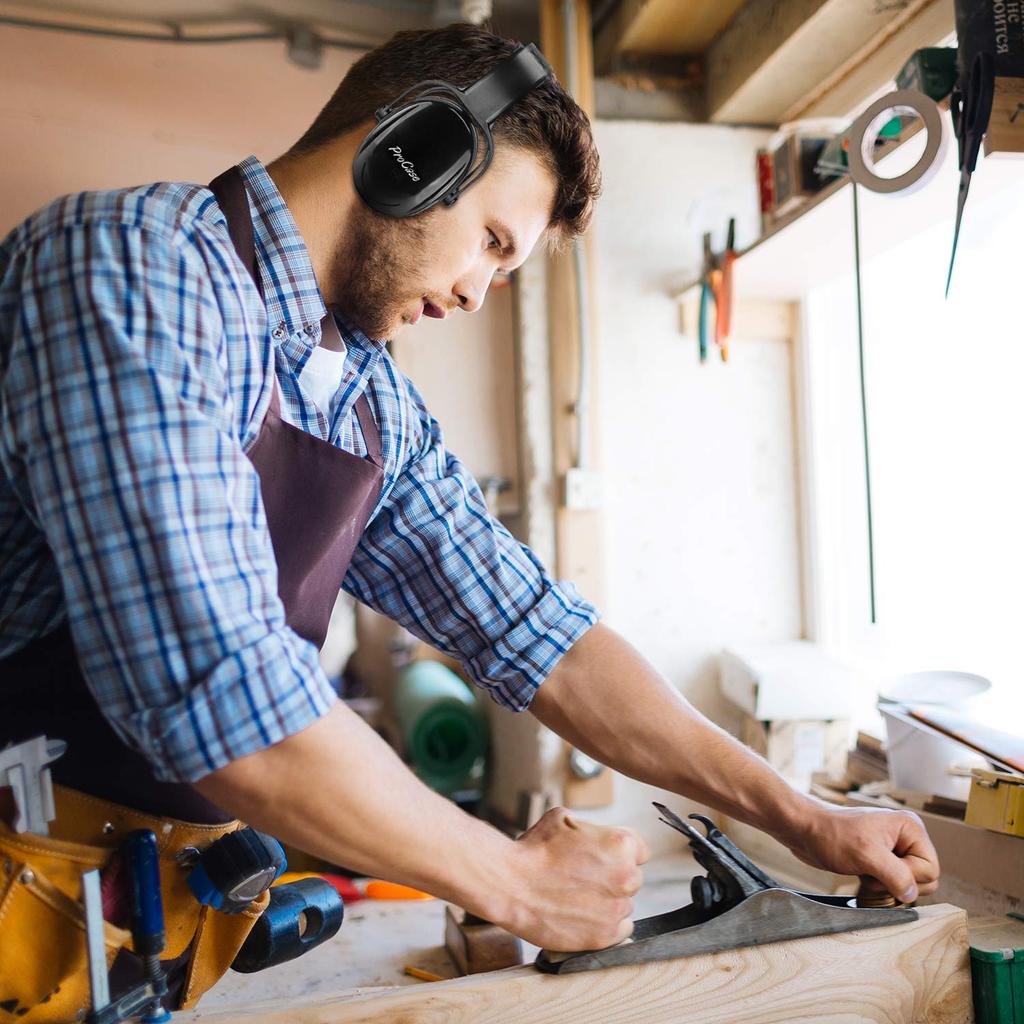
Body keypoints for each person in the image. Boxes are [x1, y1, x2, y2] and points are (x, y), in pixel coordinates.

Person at [0, 22, 938, 1017]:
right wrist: (512, 880)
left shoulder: (363, 396)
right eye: (491, 241)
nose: (473, 294)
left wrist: (800, 815)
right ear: (411, 152)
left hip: (114, 929)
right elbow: (223, 695)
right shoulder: (131, 269)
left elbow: (542, 638)